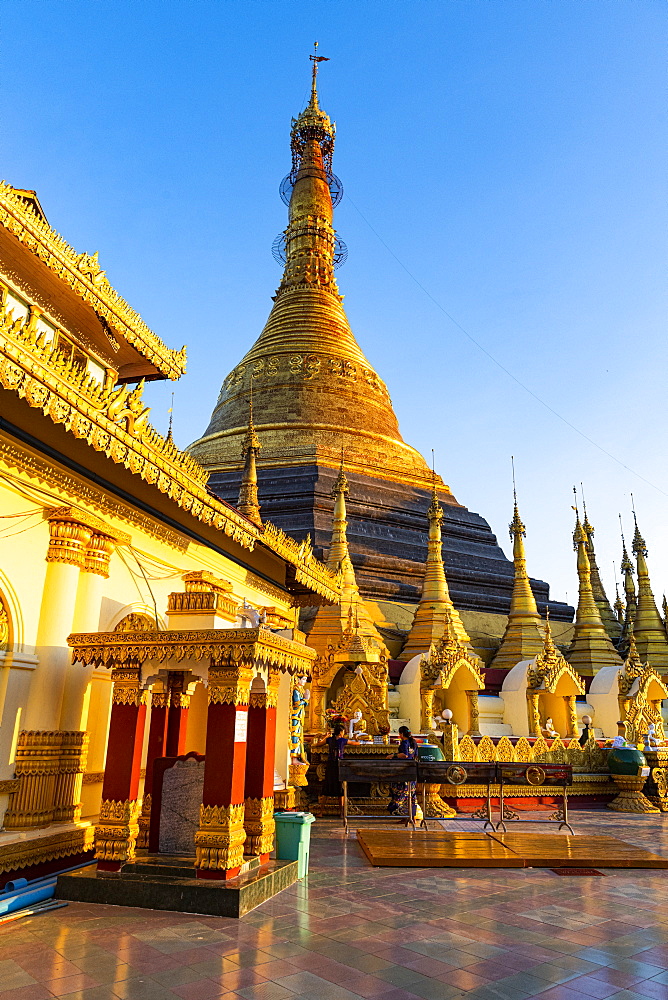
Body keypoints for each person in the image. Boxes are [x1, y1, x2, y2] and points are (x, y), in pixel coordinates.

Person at [387, 725, 418, 824]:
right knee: (412, 794)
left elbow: (405, 755)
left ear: (401, 734)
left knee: (402, 793)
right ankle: (412, 816)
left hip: (404, 770)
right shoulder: (413, 743)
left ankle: (405, 816)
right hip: (412, 770)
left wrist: (393, 755)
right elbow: (415, 755)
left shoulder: (404, 743)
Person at [319, 722, 348, 815]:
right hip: (339, 766)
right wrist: (356, 739)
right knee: (340, 789)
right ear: (340, 732)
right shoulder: (343, 740)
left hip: (330, 766)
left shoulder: (329, 740)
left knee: (326, 788)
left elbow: (318, 744)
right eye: (343, 732)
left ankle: (321, 811)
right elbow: (357, 743)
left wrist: (325, 737)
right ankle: (341, 813)